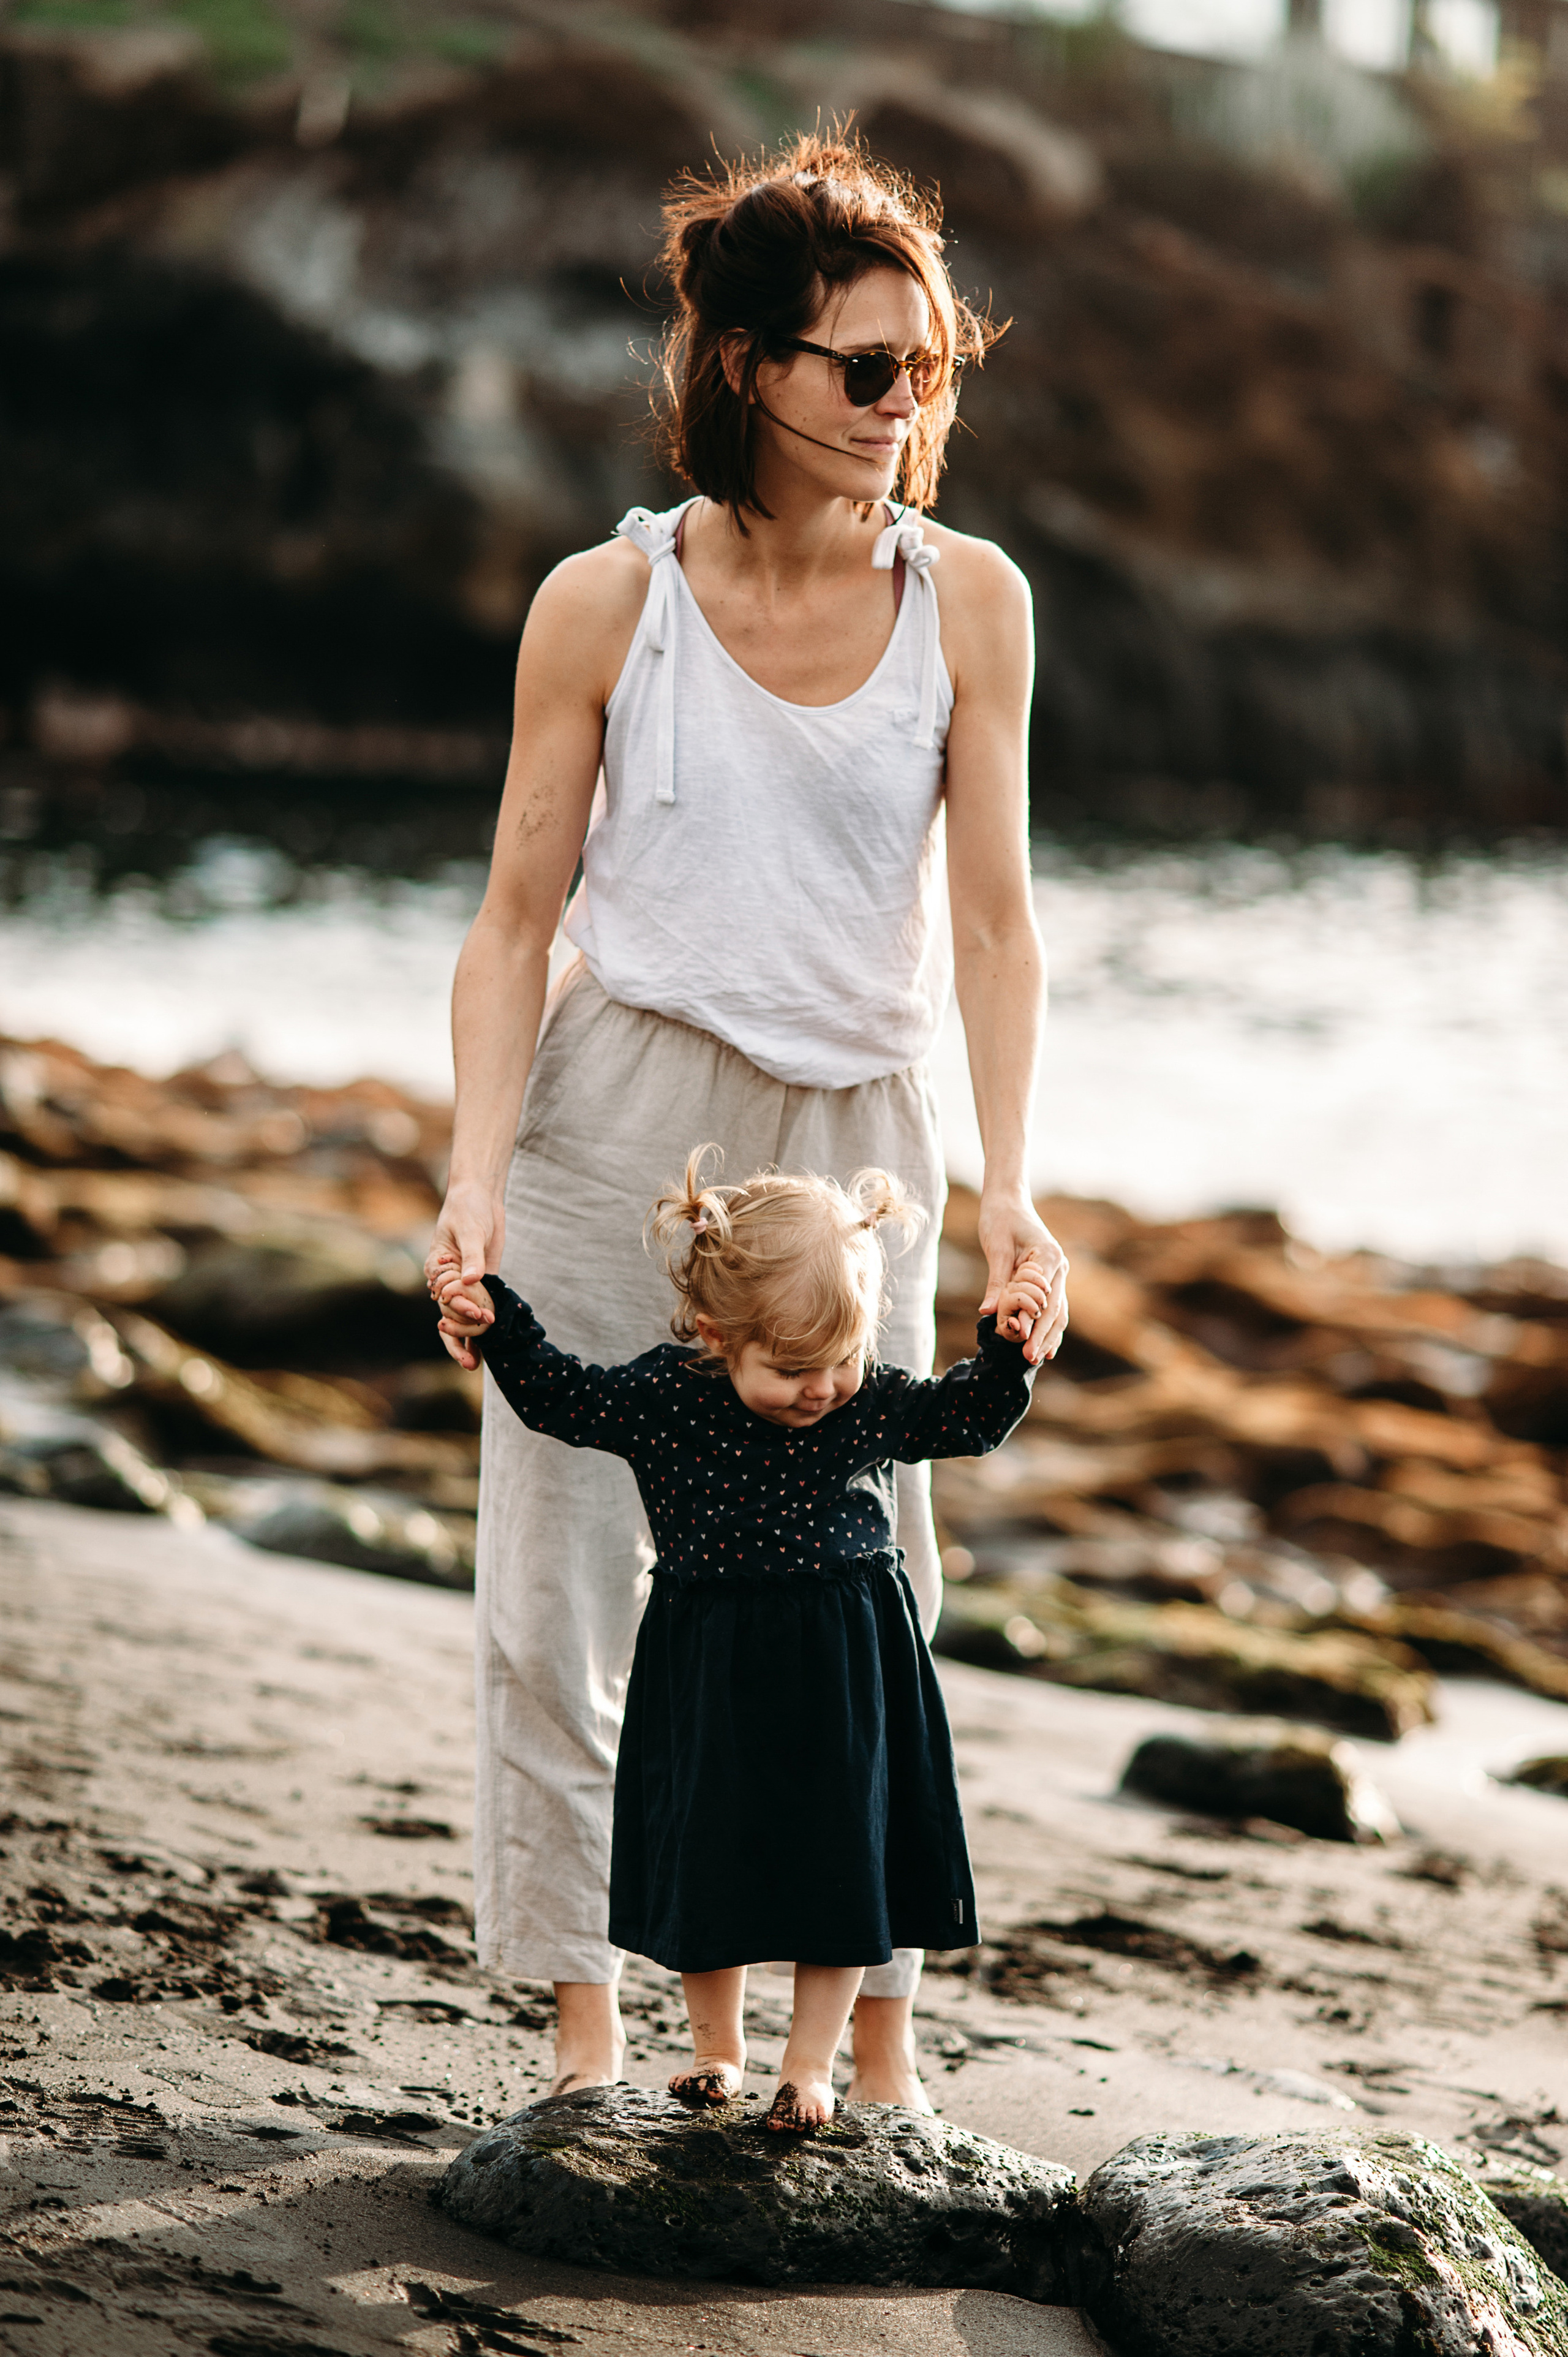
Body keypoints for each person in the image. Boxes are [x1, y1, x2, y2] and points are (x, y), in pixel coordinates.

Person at [424, 131, 1070, 2108]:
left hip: (854, 1129)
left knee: (876, 1581)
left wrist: (1012, 1196)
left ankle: (871, 2023)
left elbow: (994, 922)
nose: (905, 404)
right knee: (563, 1565)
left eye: (929, 366)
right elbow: (517, 915)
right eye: (867, 366)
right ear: (753, 373)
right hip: (624, 1108)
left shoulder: (973, 605)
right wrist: (471, 1175)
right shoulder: (603, 606)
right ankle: (577, 2012)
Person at [434, 1152, 1046, 2127]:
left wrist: (1010, 1347)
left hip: (846, 1669)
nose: (823, 1389)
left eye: (842, 1360)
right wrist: (496, 1318)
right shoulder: (669, 1399)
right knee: (706, 1857)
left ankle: (810, 2066)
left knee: (845, 1869)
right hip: (707, 1668)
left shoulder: (869, 1398)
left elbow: (967, 1419)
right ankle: (717, 2051)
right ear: (717, 1336)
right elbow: (562, 1396)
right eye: (793, 1369)